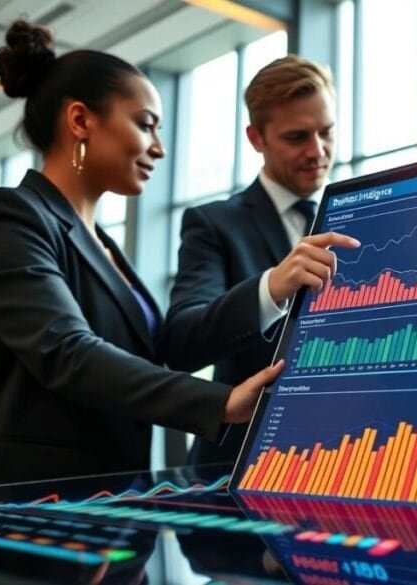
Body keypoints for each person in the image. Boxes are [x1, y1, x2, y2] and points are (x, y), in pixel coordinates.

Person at [0, 19, 284, 490]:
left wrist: (273, 288)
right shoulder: (9, 216)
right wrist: (219, 403)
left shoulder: (105, 247)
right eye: (145, 125)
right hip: (25, 506)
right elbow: (66, 351)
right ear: (81, 120)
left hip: (107, 503)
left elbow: (169, 347)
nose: (159, 149)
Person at [162, 55, 357, 465]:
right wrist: (271, 287)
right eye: (297, 137)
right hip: (240, 466)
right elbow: (182, 340)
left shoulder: (357, 219)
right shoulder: (214, 224)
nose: (317, 151)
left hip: (343, 457)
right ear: (256, 139)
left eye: (327, 132)